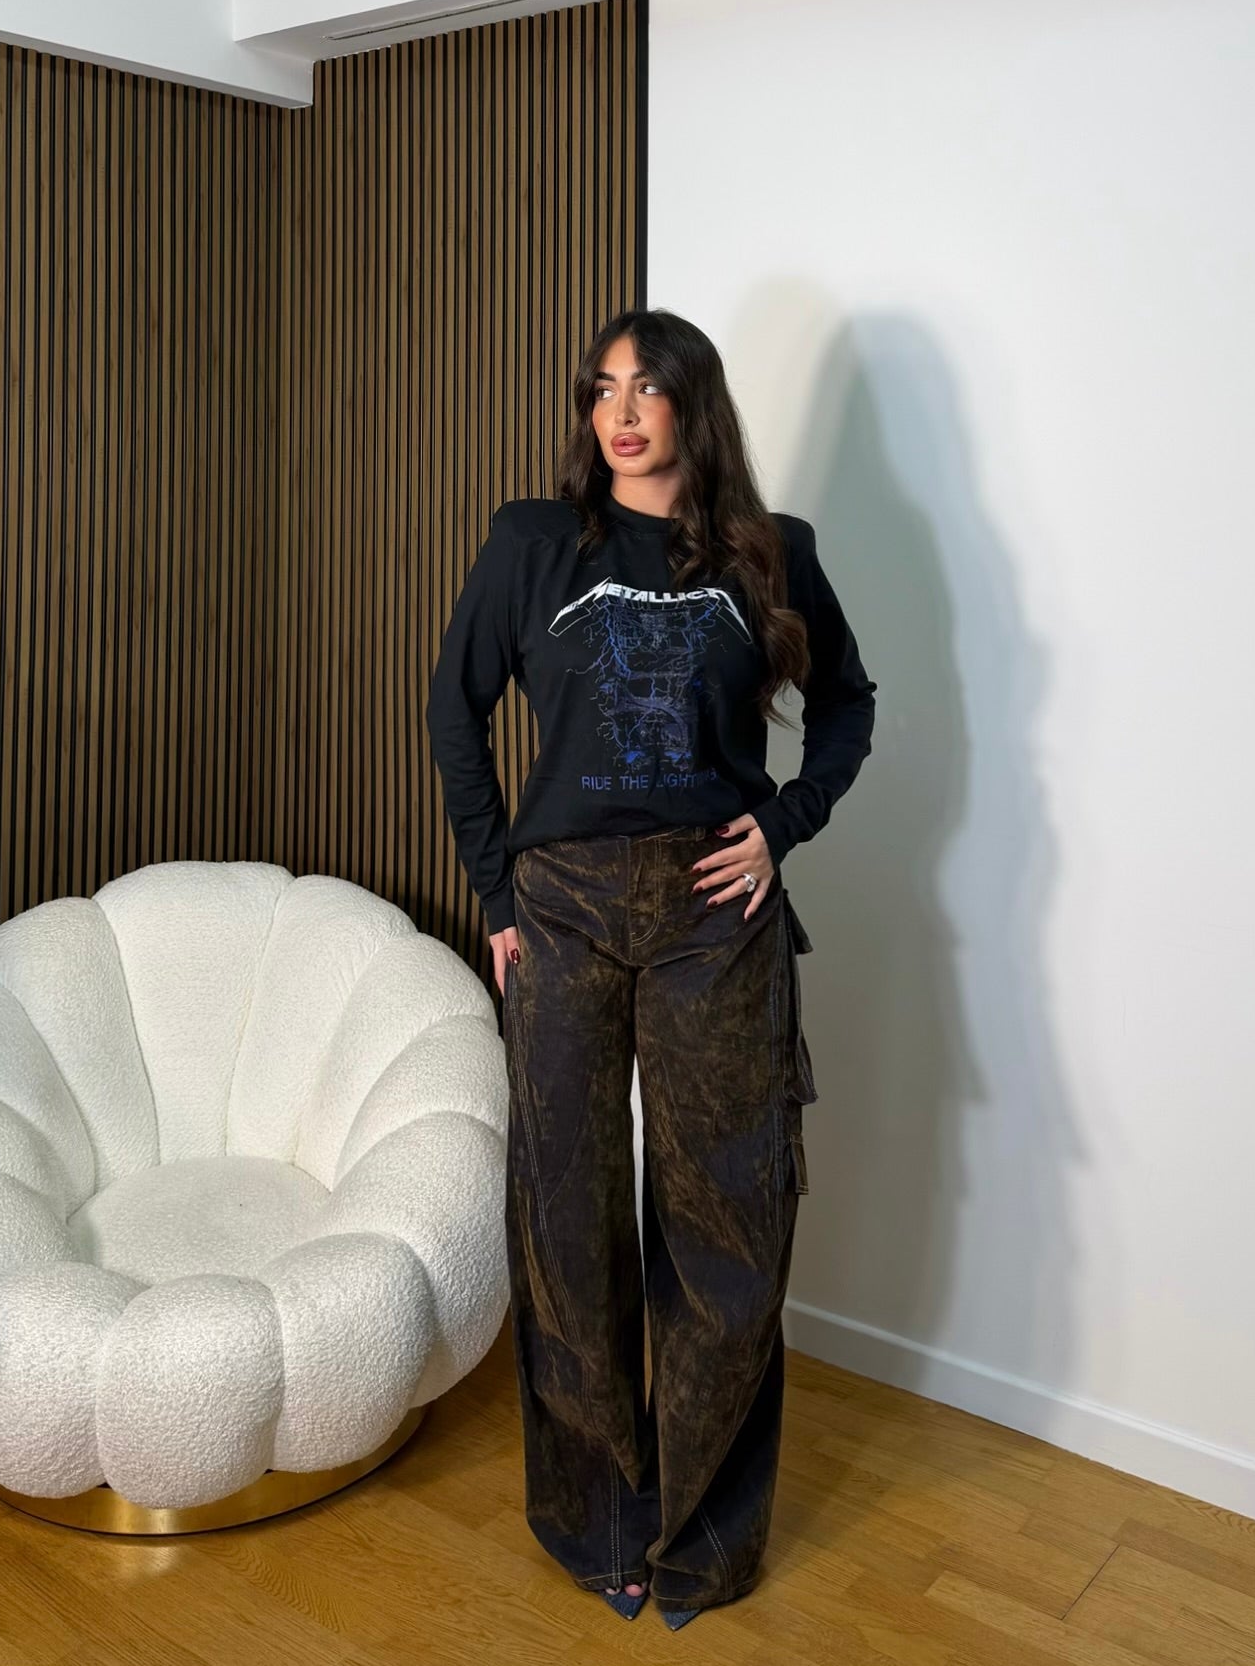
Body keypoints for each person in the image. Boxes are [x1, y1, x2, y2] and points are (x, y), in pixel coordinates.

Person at [424, 307, 876, 1629]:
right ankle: (600, 1521)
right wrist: (497, 891)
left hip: (711, 912)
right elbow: (454, 703)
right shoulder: (534, 543)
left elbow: (848, 703)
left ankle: (701, 1541)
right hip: (561, 911)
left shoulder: (770, 553)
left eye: (646, 387)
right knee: (565, 1220)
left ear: (693, 403)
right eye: (601, 389)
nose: (618, 413)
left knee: (727, 1225)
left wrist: (781, 826)